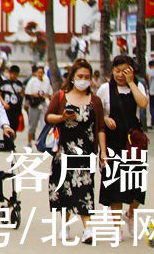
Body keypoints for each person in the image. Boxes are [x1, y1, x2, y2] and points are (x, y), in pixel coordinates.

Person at [45, 59, 106, 244]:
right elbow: (49, 116)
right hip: (64, 150)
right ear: (72, 77)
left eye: (87, 77)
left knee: (85, 188)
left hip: (86, 151)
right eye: (80, 76)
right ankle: (65, 225)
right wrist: (62, 117)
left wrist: (103, 152)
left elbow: (100, 127)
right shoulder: (61, 96)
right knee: (63, 187)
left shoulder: (95, 100)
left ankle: (88, 229)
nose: (83, 80)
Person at [97, 54, 149, 239]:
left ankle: (131, 213)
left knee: (137, 184)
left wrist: (132, 82)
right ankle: (116, 226)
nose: (120, 75)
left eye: (125, 71)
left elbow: (143, 103)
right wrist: (105, 119)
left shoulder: (138, 86)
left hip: (133, 140)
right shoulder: (104, 89)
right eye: (117, 71)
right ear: (112, 71)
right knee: (114, 185)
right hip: (113, 140)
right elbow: (96, 113)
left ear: (131, 71)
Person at [25, 65, 53, 144]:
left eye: (42, 73)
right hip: (34, 104)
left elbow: (50, 93)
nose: (40, 74)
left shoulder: (46, 82)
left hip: (43, 104)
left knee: (44, 124)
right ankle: (29, 142)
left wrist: (45, 96)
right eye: (39, 72)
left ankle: (42, 141)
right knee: (32, 125)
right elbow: (28, 93)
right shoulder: (32, 81)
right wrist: (37, 95)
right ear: (36, 73)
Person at [0, 65, 24, 137]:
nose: (14, 76)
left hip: (16, 109)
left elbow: (22, 94)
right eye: (13, 74)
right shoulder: (4, 83)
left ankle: (12, 140)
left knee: (15, 126)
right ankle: (7, 141)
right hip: (7, 108)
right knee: (7, 125)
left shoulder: (19, 84)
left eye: (16, 74)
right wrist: (3, 103)